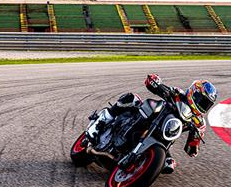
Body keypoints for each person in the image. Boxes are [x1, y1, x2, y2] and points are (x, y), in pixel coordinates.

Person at [86, 74, 218, 174]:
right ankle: (103, 119)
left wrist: (194, 143)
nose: (202, 105)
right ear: (194, 92)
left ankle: (141, 168)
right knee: (132, 98)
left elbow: (191, 150)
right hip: (149, 117)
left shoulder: (199, 122)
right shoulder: (178, 93)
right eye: (201, 100)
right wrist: (156, 83)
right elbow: (152, 82)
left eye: (206, 104)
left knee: (169, 164)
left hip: (162, 138)